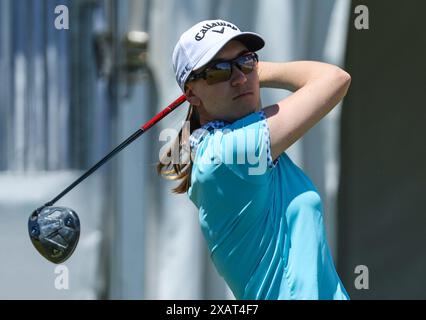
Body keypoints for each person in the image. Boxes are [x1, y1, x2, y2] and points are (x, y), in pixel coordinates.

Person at [157, 19, 351, 300]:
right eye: (218, 71)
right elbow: (333, 79)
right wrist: (258, 71)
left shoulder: (234, 143)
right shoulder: (227, 154)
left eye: (245, 61)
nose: (239, 78)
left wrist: (249, 70)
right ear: (191, 93)